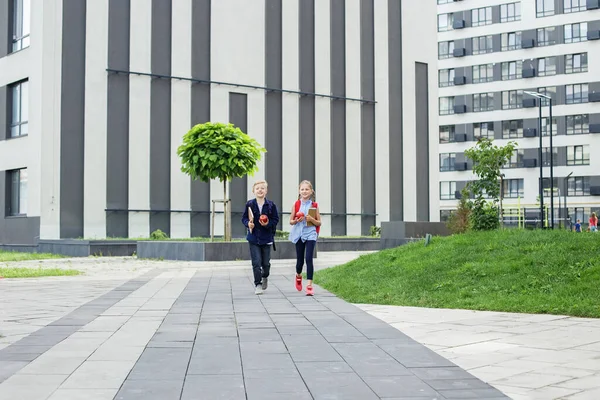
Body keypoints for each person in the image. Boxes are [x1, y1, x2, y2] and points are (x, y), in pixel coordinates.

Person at [242, 180, 279, 295]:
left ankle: (265, 276)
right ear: (253, 191)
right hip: (254, 238)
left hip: (267, 238)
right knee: (256, 262)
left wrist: (267, 223)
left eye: (262, 188)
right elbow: (244, 218)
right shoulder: (250, 204)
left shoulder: (271, 205)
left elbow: (275, 219)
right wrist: (248, 223)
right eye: (257, 188)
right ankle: (258, 284)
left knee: (266, 264)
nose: (260, 190)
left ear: (266, 191)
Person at [289, 180, 321, 296]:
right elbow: (291, 221)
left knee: (309, 259)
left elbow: (319, 222)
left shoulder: (314, 205)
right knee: (300, 261)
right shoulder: (296, 204)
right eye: (302, 189)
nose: (304, 191)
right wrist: (297, 220)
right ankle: (298, 275)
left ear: (311, 191)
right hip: (299, 234)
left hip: (310, 234)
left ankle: (309, 285)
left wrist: (311, 220)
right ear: (299, 191)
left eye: (307, 189)